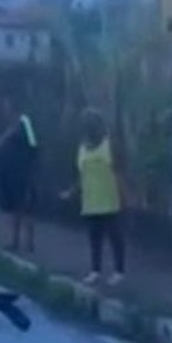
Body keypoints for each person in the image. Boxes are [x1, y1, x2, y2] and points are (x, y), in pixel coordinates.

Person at [61, 109, 125, 285]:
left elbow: (119, 173)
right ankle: (95, 270)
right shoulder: (82, 148)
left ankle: (119, 271)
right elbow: (82, 176)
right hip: (91, 201)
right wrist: (72, 192)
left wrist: (125, 195)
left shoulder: (109, 145)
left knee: (115, 237)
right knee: (94, 238)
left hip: (110, 200)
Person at [0, 96, 39, 252]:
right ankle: (14, 241)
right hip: (7, 172)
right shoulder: (9, 125)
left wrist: (29, 168)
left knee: (25, 207)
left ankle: (29, 243)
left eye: (6, 106)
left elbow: (33, 145)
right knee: (12, 208)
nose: (4, 110)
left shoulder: (24, 122)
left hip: (21, 172)